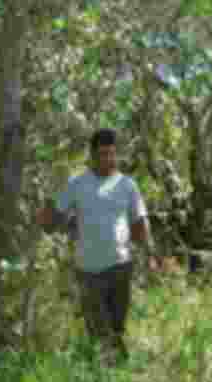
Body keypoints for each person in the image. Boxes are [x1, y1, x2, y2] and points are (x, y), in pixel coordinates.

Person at [36, 128, 156, 364]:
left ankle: (116, 376)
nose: (107, 160)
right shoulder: (77, 184)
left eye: (111, 154)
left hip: (121, 267)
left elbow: (140, 222)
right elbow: (52, 220)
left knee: (116, 328)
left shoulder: (127, 185)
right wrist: (46, 213)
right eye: (102, 154)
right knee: (98, 331)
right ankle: (103, 376)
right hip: (88, 270)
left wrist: (150, 255)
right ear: (92, 155)